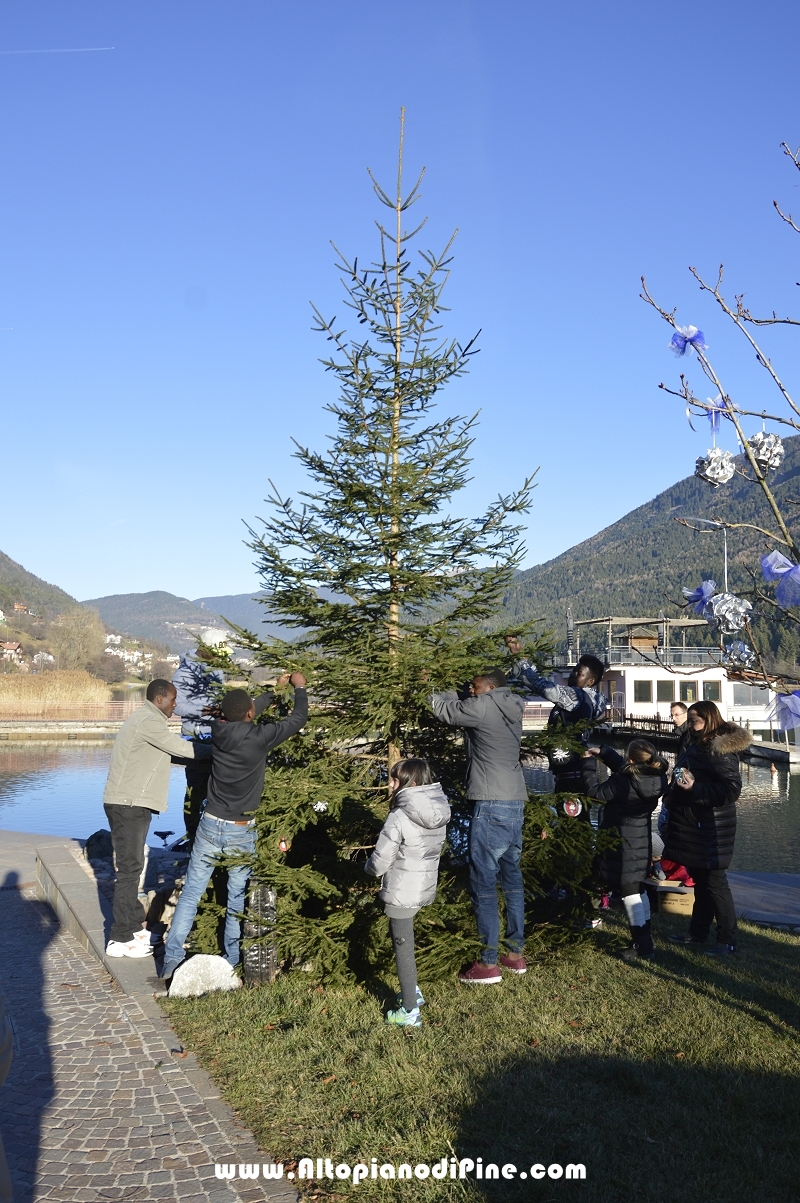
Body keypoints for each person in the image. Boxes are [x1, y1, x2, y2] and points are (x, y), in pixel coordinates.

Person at [160, 673, 308, 980]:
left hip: (210, 824)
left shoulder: (218, 729)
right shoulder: (260, 737)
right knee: (236, 896)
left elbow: (243, 710)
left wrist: (274, 690)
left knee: (190, 895)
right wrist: (299, 687)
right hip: (242, 828)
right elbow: (298, 718)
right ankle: (229, 960)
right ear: (251, 715)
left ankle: (171, 961)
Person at [431, 668, 528, 985]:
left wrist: (439, 685)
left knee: (483, 882)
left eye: (474, 687)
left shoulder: (483, 705)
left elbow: (445, 710)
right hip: (516, 800)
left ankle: (487, 964)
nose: (470, 691)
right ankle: (514, 954)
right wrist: (465, 690)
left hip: (490, 801)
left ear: (489, 687)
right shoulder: (511, 705)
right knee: (512, 877)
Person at [102, 679, 211, 959]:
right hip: (128, 804)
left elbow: (169, 756)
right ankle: (119, 938)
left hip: (130, 802)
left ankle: (134, 925)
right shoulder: (148, 721)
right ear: (160, 698)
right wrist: (224, 749)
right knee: (129, 869)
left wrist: (204, 758)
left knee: (133, 865)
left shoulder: (146, 720)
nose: (176, 705)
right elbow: (182, 749)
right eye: (173, 699)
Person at [364, 758, 451, 1027]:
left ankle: (410, 1011)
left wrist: (366, 868)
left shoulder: (399, 815)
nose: (389, 785)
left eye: (394, 780)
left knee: (403, 948)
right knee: (407, 943)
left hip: (402, 888)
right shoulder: (438, 809)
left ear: (410, 783)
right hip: (423, 885)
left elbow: (381, 861)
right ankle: (413, 991)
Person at [663, 700, 749, 956]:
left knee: (715, 883)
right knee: (701, 880)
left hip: (711, 826)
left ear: (709, 720)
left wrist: (694, 789)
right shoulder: (696, 743)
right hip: (695, 824)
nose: (690, 725)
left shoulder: (719, 749)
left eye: (694, 721)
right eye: (689, 720)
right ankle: (698, 932)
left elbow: (730, 789)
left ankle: (727, 939)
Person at [582, 739, 668, 960]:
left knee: (630, 894)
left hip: (621, 842)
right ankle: (644, 938)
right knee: (638, 889)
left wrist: (589, 765)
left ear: (631, 760)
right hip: (640, 840)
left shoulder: (624, 781)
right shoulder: (657, 777)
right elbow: (627, 769)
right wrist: (604, 751)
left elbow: (594, 792)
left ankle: (642, 945)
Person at [505, 637, 606, 806]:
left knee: (568, 823)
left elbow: (544, 687)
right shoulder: (597, 700)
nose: (573, 675)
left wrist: (520, 659)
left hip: (569, 775)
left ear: (590, 681)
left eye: (578, 674)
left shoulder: (577, 696)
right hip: (580, 771)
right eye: (574, 670)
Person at [172, 643, 225, 843]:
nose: (221, 659)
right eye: (218, 654)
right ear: (206, 651)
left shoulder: (217, 669)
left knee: (216, 792)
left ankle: (213, 840)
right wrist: (207, 711)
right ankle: (193, 840)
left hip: (217, 737)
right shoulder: (183, 674)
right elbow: (178, 707)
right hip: (194, 739)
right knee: (195, 792)